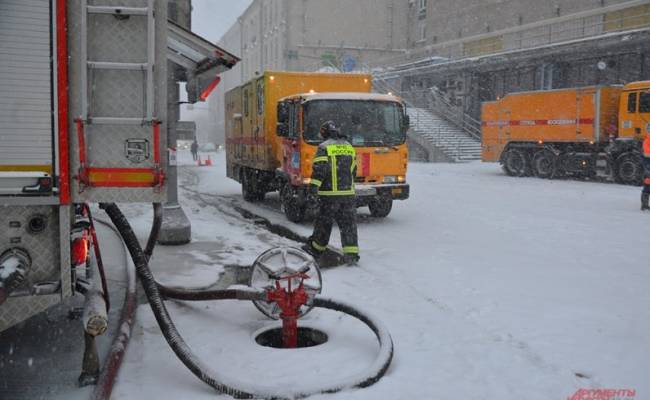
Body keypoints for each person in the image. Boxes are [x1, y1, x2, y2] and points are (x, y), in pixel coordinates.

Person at [302, 121, 360, 265]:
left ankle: (315, 250)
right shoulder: (349, 146)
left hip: (329, 196)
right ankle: (351, 254)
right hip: (348, 195)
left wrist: (313, 191)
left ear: (325, 133)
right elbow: (354, 171)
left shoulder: (324, 147)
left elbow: (319, 171)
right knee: (348, 226)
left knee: (324, 224)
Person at [642, 131, 650, 211]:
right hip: (648, 162)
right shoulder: (647, 140)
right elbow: (647, 151)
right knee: (648, 181)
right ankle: (644, 204)